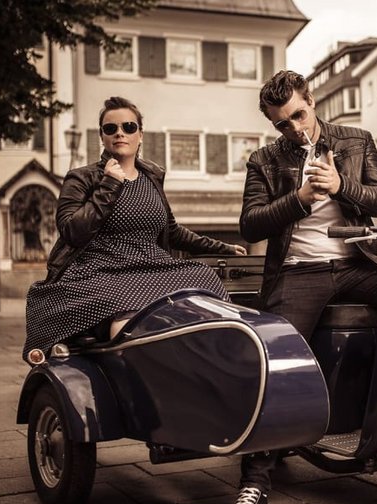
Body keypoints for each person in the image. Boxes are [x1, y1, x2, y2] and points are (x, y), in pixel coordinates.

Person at [223, 71, 377, 504]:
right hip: (300, 271)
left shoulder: (356, 140)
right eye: (282, 124)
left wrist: (342, 188)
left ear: (312, 101)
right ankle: (255, 484)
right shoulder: (264, 159)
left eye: (299, 115)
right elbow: (250, 224)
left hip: (358, 264)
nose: (295, 129)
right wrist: (299, 199)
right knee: (275, 364)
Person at [22, 96, 245, 361]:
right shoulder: (82, 178)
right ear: (102, 137)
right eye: (110, 128)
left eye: (128, 127)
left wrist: (225, 247)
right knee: (128, 316)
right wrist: (109, 185)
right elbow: (72, 231)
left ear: (140, 135)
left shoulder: (151, 178)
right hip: (102, 271)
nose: (120, 133)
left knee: (204, 278)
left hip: (153, 268)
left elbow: (172, 232)